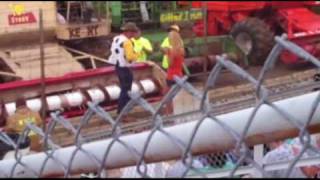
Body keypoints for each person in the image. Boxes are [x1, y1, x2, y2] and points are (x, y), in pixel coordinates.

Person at [107, 22, 140, 115]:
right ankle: (123, 113)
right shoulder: (127, 42)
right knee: (126, 91)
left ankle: (122, 112)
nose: (134, 35)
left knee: (123, 89)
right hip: (125, 67)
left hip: (118, 66)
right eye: (133, 33)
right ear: (129, 32)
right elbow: (130, 57)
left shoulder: (116, 39)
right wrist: (137, 54)